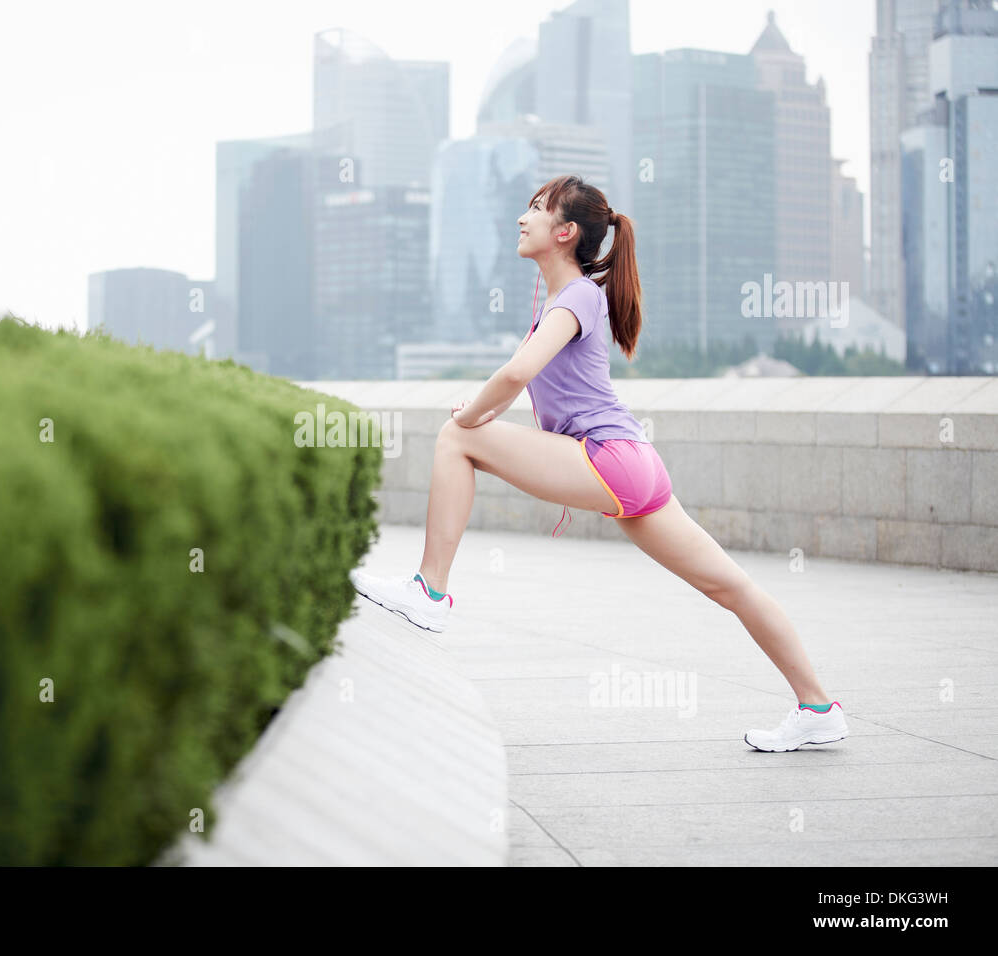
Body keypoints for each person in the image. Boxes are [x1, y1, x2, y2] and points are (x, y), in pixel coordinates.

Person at [350, 174, 848, 753]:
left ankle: (429, 592)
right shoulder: (565, 298)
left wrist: (469, 419)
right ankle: (818, 707)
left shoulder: (580, 295)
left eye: (536, 209)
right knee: (730, 586)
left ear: (564, 232)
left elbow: (515, 377)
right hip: (634, 465)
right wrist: (482, 412)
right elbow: (514, 384)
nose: (523, 217)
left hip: (609, 458)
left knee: (453, 440)